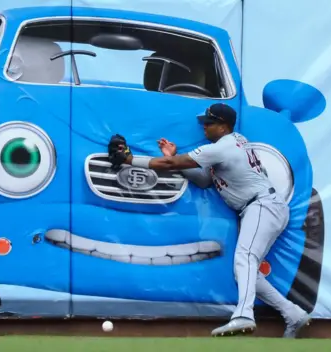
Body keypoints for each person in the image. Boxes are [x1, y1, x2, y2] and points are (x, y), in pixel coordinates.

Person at [107, 103, 311, 338]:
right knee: (247, 270)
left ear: (224, 127)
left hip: (262, 205)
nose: (204, 127)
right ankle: (292, 313)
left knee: (245, 259)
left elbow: (170, 165)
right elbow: (204, 180)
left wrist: (130, 160)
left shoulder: (223, 147)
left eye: (209, 123)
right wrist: (174, 158)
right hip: (263, 206)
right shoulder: (232, 142)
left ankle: (244, 314)